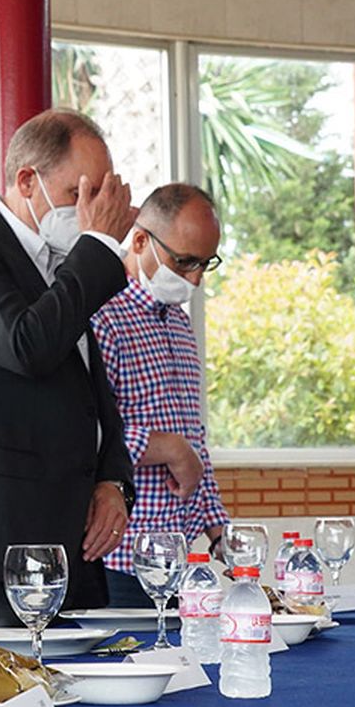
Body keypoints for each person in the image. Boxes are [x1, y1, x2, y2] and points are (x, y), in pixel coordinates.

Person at [0, 109, 138, 630]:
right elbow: (26, 345)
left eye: (98, 200)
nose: (89, 216)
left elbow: (90, 391)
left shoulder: (65, 262)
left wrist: (113, 480)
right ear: (26, 181)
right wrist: (99, 248)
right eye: (75, 196)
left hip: (71, 544)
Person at [91, 184, 230, 607]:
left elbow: (193, 438)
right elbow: (84, 430)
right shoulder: (101, 315)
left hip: (181, 561)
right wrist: (164, 447)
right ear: (139, 241)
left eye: (206, 265)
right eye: (185, 262)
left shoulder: (180, 324)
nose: (195, 279)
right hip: (119, 561)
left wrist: (221, 533)